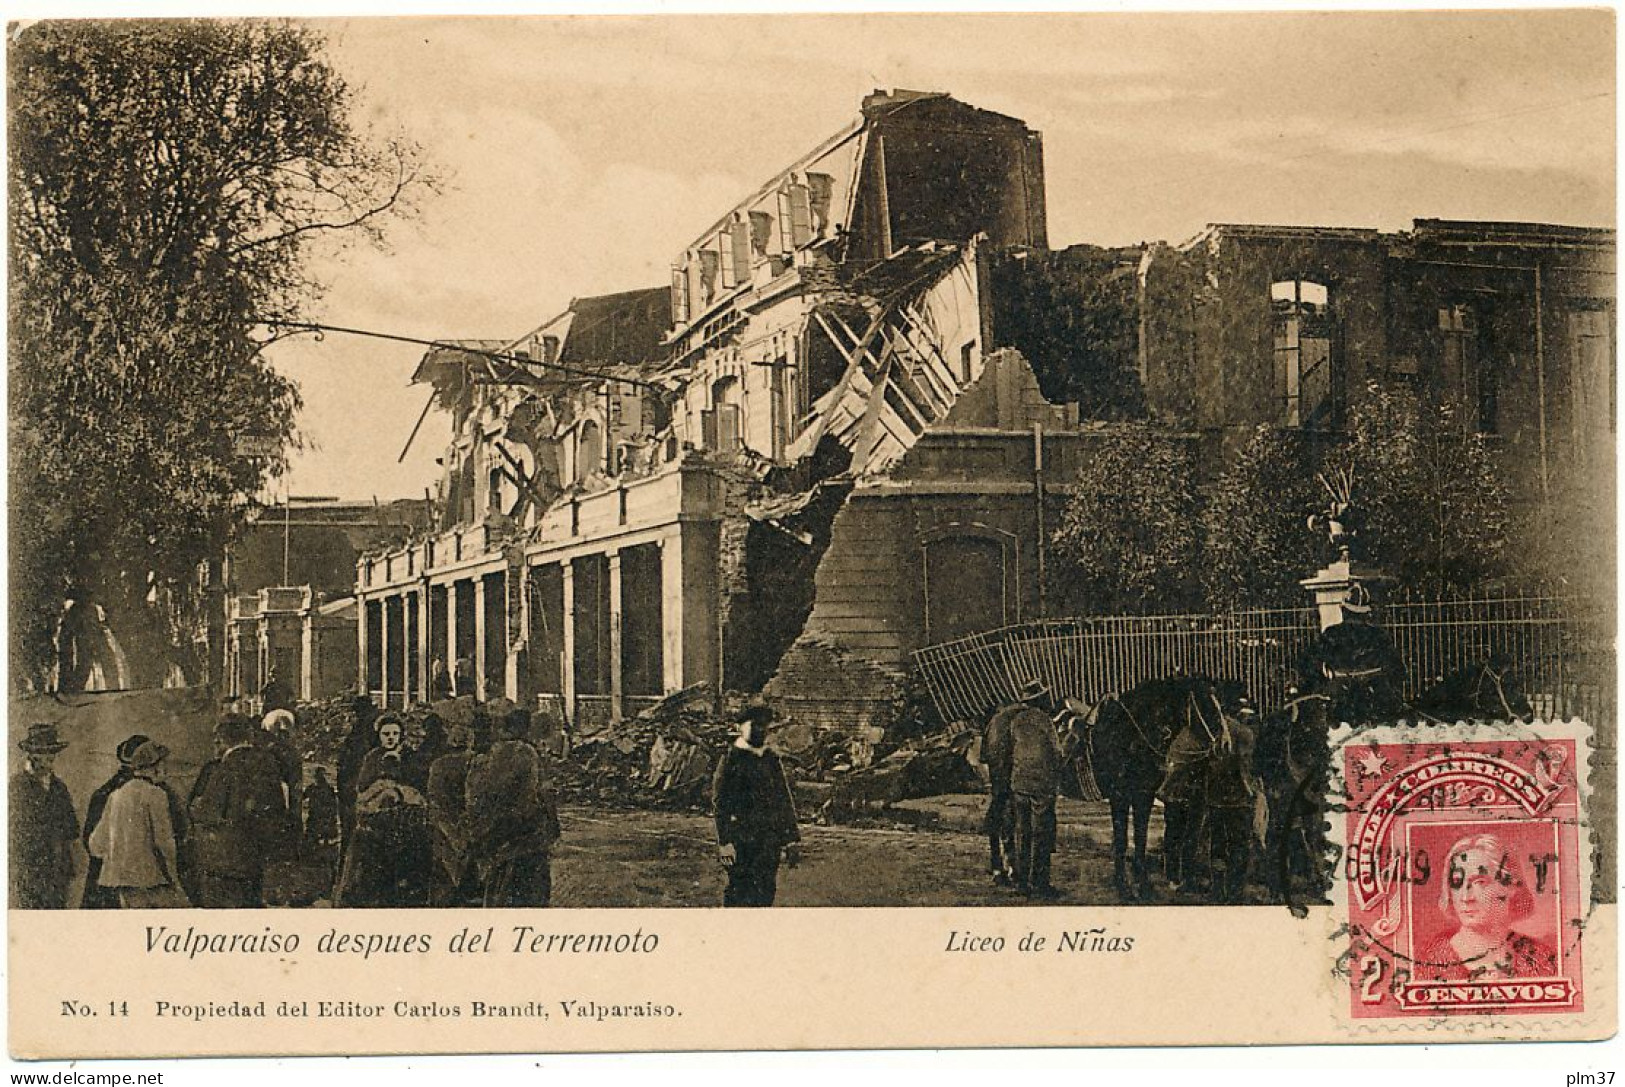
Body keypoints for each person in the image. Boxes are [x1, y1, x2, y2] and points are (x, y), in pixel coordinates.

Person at [1418, 833, 1559, 981]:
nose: (1466, 898)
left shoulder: (1541, 958)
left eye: (1480, 882)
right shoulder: (1428, 962)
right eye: (1457, 882)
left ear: (1510, 886)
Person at [187, 716, 289, 907]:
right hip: (259, 856)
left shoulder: (225, 768)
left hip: (229, 859)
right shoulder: (268, 762)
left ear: (222, 740)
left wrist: (195, 806)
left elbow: (208, 812)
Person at [82, 733, 192, 908]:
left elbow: (96, 845)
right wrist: (176, 880)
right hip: (152, 881)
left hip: (121, 885)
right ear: (155, 766)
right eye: (163, 764)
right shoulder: (157, 794)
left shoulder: (115, 795)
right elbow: (165, 843)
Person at [465, 709, 560, 907]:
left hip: (501, 838)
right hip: (528, 837)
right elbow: (543, 793)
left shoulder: (491, 754)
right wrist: (553, 826)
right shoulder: (527, 753)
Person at [712, 705, 801, 907]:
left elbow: (783, 800)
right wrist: (725, 842)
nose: (760, 730)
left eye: (764, 726)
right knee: (739, 893)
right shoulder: (732, 759)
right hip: (741, 840)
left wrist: (791, 839)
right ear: (740, 728)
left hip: (769, 842)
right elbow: (720, 804)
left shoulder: (770, 760)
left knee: (765, 891)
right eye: (755, 725)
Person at [1005, 680, 1065, 899]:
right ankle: (1040, 883)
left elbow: (1013, 748)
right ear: (1040, 700)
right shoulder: (1045, 720)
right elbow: (1057, 751)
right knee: (1041, 832)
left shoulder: (1016, 721)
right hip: (1041, 784)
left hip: (1019, 782)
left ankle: (1021, 882)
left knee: (1022, 831)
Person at [10, 724, 79, 909]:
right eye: (43, 752)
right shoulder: (16, 786)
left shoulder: (59, 786)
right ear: (32, 755)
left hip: (58, 869)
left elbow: (72, 828)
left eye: (52, 752)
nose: (50, 757)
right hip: (31, 869)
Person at [979, 697, 1020, 886]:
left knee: (998, 820)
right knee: (1014, 821)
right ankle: (1013, 867)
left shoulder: (992, 727)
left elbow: (984, 759)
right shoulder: (1016, 722)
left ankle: (998, 866)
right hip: (1014, 780)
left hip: (999, 783)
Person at [302, 767, 340, 857]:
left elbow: (303, 797)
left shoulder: (315, 788)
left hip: (319, 816)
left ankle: (317, 846)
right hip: (319, 815)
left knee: (315, 827)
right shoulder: (326, 789)